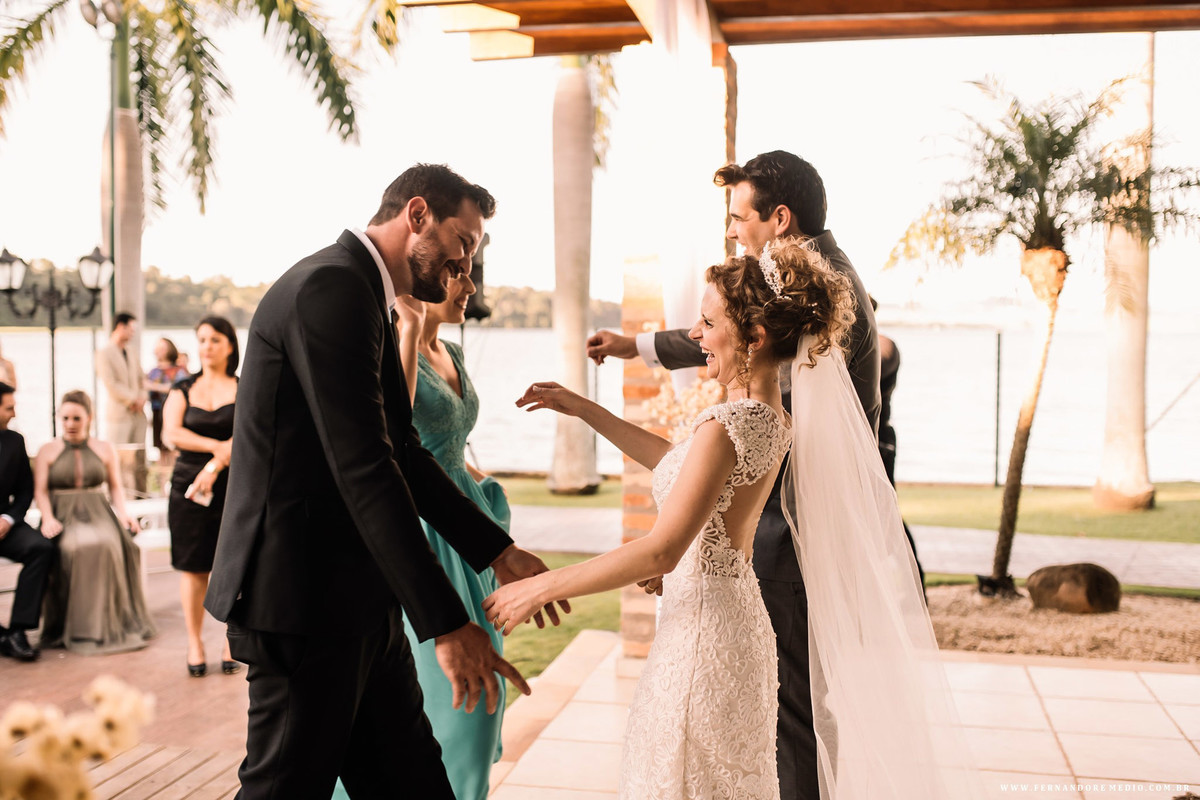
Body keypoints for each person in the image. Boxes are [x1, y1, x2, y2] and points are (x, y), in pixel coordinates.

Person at [204, 164, 565, 800]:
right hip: (302, 605)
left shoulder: (362, 293)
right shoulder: (331, 288)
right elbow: (366, 467)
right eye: (463, 241)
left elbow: (403, 451)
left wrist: (497, 551)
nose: (465, 263)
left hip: (361, 603)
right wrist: (447, 624)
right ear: (417, 214)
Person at [487, 239, 856, 798]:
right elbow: (677, 464)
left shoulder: (727, 424)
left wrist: (541, 587)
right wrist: (585, 409)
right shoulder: (770, 418)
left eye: (708, 323)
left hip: (702, 640)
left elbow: (662, 550)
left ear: (754, 337)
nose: (696, 335)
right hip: (732, 626)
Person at [585, 150, 880, 798]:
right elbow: (729, 335)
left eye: (739, 217)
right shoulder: (816, 285)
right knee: (777, 711)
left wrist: (695, 540)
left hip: (787, 531)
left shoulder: (808, 294)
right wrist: (635, 347)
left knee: (791, 712)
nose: (732, 231)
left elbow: (755, 391)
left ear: (780, 218)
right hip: (773, 527)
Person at [34, 390, 156, 654]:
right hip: (62, 515)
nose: (70, 424)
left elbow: (115, 487)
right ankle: (79, 626)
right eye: (65, 418)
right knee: (75, 548)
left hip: (98, 512)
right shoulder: (47, 450)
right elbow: (40, 491)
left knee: (110, 545)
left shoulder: (104, 448)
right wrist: (47, 518)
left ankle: (107, 622)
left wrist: (124, 514)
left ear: (89, 418)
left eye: (76, 418)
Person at [162, 317, 238, 678]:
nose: (207, 346)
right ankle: (195, 642)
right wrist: (217, 448)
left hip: (235, 485)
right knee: (193, 567)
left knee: (235, 563)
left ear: (230, 346)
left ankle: (230, 640)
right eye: (202, 339)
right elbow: (172, 434)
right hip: (188, 488)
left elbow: (251, 433)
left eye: (215, 339)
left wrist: (217, 463)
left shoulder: (244, 386)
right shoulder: (182, 388)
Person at [0, 382, 55, 662]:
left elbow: (25, 490)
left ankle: (18, 631)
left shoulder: (15, 441)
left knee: (41, 548)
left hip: (5, 524)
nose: (14, 413)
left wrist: (9, 518)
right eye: (9, 408)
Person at [96, 312, 148, 446]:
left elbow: (142, 378)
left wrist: (142, 398)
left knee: (139, 453)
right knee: (119, 452)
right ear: (120, 327)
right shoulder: (104, 353)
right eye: (131, 330)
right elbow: (110, 383)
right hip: (119, 415)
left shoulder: (132, 351)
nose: (133, 334)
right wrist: (133, 400)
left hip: (139, 414)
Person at [146, 337, 189, 470]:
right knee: (161, 448)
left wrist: (154, 386)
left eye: (162, 348)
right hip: (157, 412)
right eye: (157, 348)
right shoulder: (153, 372)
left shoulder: (179, 371)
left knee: (174, 447)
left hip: (175, 412)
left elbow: (179, 388)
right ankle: (162, 477)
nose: (158, 351)